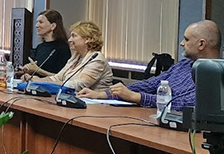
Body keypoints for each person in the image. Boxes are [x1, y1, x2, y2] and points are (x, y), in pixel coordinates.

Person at [78, 20, 221, 111]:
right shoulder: (183, 65)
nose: (182, 43)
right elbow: (150, 84)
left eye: (186, 39)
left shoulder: (217, 75)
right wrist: (102, 94)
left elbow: (188, 104)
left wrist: (137, 97)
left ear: (201, 44)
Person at [29, 21, 113, 91]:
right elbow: (58, 78)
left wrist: (44, 83)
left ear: (87, 39)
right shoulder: (76, 57)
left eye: (74, 36)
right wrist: (34, 80)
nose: (69, 40)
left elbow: (79, 85)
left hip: (95, 104)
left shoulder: (97, 59)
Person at [20, 9, 71, 77]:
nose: (37, 25)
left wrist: (38, 70)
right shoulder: (40, 47)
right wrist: (28, 69)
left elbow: (62, 77)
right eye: (37, 22)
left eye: (41, 22)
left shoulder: (63, 48)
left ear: (53, 26)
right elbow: (34, 69)